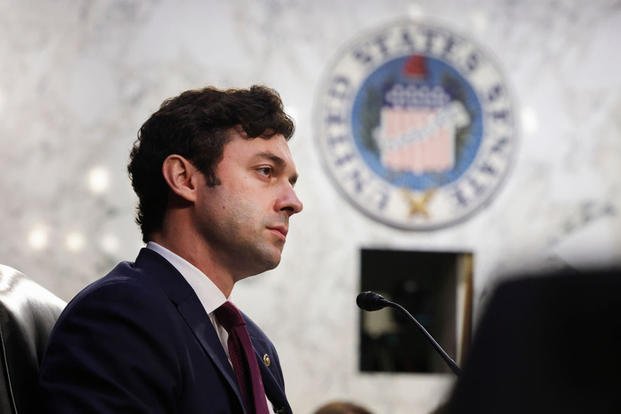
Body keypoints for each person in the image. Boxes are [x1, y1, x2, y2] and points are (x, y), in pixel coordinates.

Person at [38, 85, 303, 413]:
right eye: (266, 171)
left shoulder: (256, 345)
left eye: (292, 182)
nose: (294, 202)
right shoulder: (120, 315)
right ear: (185, 179)